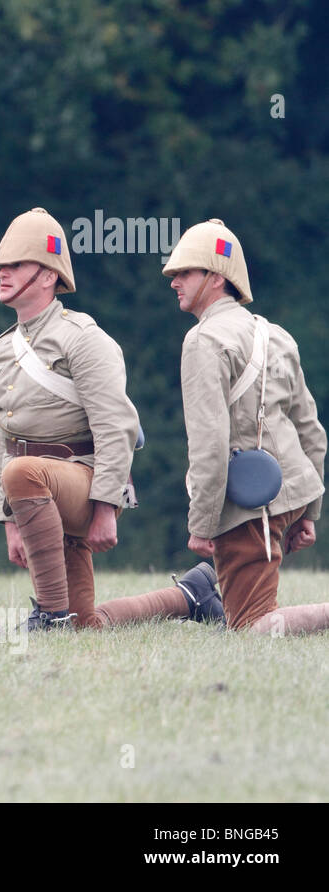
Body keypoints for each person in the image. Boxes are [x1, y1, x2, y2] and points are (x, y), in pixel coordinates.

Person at [0, 208, 218, 630]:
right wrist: (9, 520)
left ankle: (49, 616)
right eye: (2, 264)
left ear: (49, 275)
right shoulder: (0, 350)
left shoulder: (83, 337)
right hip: (32, 491)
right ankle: (189, 595)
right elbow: (5, 441)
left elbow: (117, 426)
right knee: (85, 625)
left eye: (16, 264)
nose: (3, 272)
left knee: (22, 472)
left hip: (86, 483)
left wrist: (107, 507)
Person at [158, 218, 329, 634]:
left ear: (216, 279)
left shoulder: (202, 341)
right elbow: (310, 430)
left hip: (248, 507)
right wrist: (309, 510)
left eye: (184, 273)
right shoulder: (277, 335)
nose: (174, 282)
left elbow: (209, 446)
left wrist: (201, 524)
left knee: (250, 627)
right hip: (290, 493)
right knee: (245, 619)